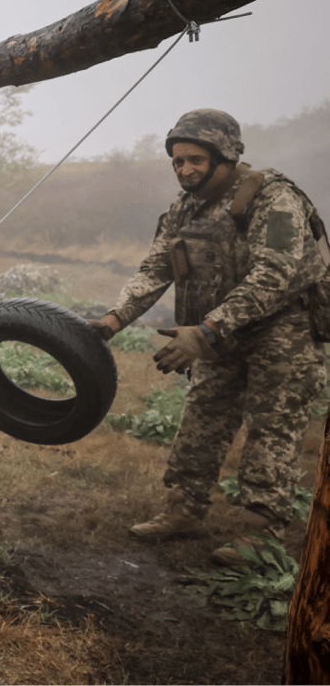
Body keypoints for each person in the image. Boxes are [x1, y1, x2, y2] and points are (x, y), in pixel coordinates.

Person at [92, 108, 328, 566]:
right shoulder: (184, 207)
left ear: (226, 155)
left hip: (283, 333)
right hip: (219, 333)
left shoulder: (273, 199)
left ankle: (262, 535)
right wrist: (113, 319)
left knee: (271, 428)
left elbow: (276, 274)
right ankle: (183, 511)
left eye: (196, 160)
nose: (185, 170)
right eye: (178, 161)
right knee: (203, 416)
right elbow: (156, 268)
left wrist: (205, 332)